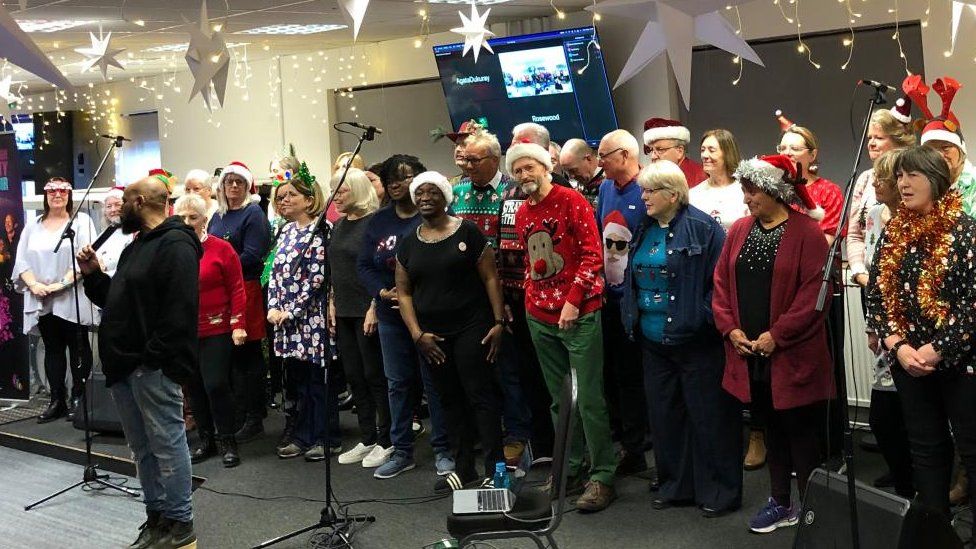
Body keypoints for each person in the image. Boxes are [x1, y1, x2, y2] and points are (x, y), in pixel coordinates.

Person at [77, 176, 201, 549]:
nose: (117, 209)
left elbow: (178, 313)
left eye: (125, 200)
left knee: (166, 442)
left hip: (150, 366)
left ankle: (180, 522)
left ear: (143, 201)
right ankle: (157, 517)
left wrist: (152, 358)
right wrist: (94, 276)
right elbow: (118, 302)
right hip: (125, 366)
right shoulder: (136, 247)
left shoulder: (176, 245)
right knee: (143, 449)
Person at [712, 155, 834, 534]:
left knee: (800, 432)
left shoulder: (806, 234)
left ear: (774, 191)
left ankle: (813, 511)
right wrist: (731, 330)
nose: (746, 199)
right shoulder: (739, 230)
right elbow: (720, 285)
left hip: (791, 355)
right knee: (769, 428)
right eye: (745, 192)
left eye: (752, 192)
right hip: (750, 354)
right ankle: (781, 502)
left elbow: (814, 294)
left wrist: (775, 336)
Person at [620, 160, 741, 517]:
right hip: (652, 341)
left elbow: (720, 286)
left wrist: (700, 318)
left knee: (709, 417)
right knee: (665, 416)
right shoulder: (643, 226)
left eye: (649, 191)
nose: (643, 197)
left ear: (673, 194)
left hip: (696, 341)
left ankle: (719, 491)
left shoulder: (703, 228)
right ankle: (677, 486)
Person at [866, 146, 976, 535]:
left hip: (960, 362)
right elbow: (876, 296)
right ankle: (937, 536)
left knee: (972, 449)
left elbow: (971, 306)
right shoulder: (895, 231)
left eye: (912, 175)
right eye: (899, 176)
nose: (903, 183)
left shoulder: (965, 230)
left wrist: (936, 348)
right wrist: (898, 345)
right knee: (926, 451)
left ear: (936, 179)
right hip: (909, 361)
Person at [509, 140, 617, 512]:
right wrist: (529, 295)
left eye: (530, 168)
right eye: (518, 170)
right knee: (558, 399)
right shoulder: (523, 213)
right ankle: (568, 466)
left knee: (588, 398)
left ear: (546, 167)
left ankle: (602, 475)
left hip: (579, 312)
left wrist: (572, 301)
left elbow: (592, 255)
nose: (524, 175)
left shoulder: (572, 201)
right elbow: (529, 260)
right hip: (538, 314)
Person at [396, 171, 505, 491]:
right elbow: (403, 292)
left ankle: (497, 470)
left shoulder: (468, 232)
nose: (425, 198)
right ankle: (464, 468)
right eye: (420, 193)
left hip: (473, 327)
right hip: (432, 336)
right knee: (448, 400)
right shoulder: (409, 241)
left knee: (480, 397)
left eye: (432, 192)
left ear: (446, 197)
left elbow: (490, 278)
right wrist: (417, 335)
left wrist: (499, 322)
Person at [357, 154, 452, 480]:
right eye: (390, 179)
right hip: (390, 315)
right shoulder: (379, 221)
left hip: (427, 314)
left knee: (434, 382)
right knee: (397, 384)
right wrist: (382, 293)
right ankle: (402, 451)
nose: (396, 183)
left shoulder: (432, 218)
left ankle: (443, 449)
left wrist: (415, 296)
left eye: (404, 177)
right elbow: (365, 266)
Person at [453, 131, 533, 469]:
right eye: (464, 160)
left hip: (507, 295)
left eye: (474, 160)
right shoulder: (456, 192)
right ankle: (482, 435)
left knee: (508, 370)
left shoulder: (514, 191)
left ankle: (517, 435)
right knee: (475, 370)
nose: (467, 166)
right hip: (466, 298)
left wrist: (506, 302)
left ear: (495, 159)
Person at [267, 163, 342, 461]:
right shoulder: (285, 231)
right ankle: (303, 435)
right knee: (299, 382)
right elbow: (275, 272)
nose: (284, 200)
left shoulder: (322, 229)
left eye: (291, 195)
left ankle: (328, 437)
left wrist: (293, 311)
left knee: (319, 382)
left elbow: (317, 278)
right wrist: (273, 306)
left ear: (309, 199)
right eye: (281, 196)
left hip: (312, 318)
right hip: (286, 320)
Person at [13, 177, 97, 423]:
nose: (57, 195)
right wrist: (35, 285)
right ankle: (56, 399)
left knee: (78, 347)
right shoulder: (33, 226)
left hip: (71, 295)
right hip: (42, 297)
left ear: (69, 195)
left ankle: (79, 398)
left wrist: (61, 284)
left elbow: (87, 257)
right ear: (45, 196)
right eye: (52, 191)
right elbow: (21, 261)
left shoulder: (81, 222)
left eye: (62, 191)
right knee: (52, 347)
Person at [175, 193, 246, 468]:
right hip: (185, 331)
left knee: (216, 384)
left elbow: (237, 287)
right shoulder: (174, 251)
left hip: (217, 327)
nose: (188, 222)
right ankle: (207, 441)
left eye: (193, 217)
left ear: (205, 219)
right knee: (193, 388)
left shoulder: (221, 249)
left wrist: (238, 323)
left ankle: (228, 439)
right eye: (182, 217)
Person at [328, 168, 393, 468]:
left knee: (374, 375)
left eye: (342, 190)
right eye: (334, 191)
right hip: (343, 310)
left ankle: (386, 439)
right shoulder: (338, 225)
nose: (336, 196)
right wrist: (331, 301)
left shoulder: (374, 224)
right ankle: (367, 437)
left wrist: (372, 306)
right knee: (354, 376)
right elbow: (335, 268)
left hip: (367, 309)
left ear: (358, 190)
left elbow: (380, 268)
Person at [859, 150, 914, 498]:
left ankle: (914, 485)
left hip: (911, 327)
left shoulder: (916, 217)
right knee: (882, 416)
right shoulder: (876, 214)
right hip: (882, 319)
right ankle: (901, 473)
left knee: (909, 413)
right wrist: (872, 325)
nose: (874, 183)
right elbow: (872, 267)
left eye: (881, 178)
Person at [595, 129, 650, 476]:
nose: (599, 163)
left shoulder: (646, 189)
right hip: (610, 298)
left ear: (625, 156)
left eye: (604, 155)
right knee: (618, 376)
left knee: (640, 378)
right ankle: (632, 448)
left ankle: (646, 444)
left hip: (640, 299)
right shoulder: (604, 189)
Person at [208, 161, 271, 442]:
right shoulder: (217, 216)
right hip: (220, 292)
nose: (234, 186)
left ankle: (254, 416)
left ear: (248, 187)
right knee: (228, 357)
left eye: (239, 182)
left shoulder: (253, 213)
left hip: (245, 289)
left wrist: (221, 269)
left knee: (248, 354)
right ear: (221, 186)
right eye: (229, 181)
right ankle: (236, 411)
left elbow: (254, 254)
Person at [847, 104, 916, 288]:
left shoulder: (914, 178)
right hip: (868, 282)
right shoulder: (864, 179)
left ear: (898, 141)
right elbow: (854, 234)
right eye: (870, 137)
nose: (871, 143)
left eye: (878, 137)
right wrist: (861, 274)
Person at [912, 76, 976, 216]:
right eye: (931, 150)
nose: (939, 155)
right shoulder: (925, 187)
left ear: (961, 149)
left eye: (945, 147)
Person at [690, 129, 749, 232]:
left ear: (727, 154)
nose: (704, 155)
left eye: (711, 150)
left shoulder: (745, 190)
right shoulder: (693, 194)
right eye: (702, 150)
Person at [642, 117, 706, 189]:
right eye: (651, 150)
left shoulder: (700, 179)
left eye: (660, 149)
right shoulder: (655, 178)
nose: (653, 157)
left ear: (679, 151)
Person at [512, 122, 571, 187]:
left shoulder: (563, 189)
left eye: (521, 147)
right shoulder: (511, 188)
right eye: (513, 146)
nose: (514, 152)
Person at [96, 186, 134, 277]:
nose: (113, 210)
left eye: (117, 205)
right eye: (109, 206)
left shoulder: (133, 233)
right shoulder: (103, 235)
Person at [559, 138, 604, 208]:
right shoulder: (578, 185)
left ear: (588, 158)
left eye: (573, 170)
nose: (571, 176)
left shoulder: (612, 180)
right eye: (567, 172)